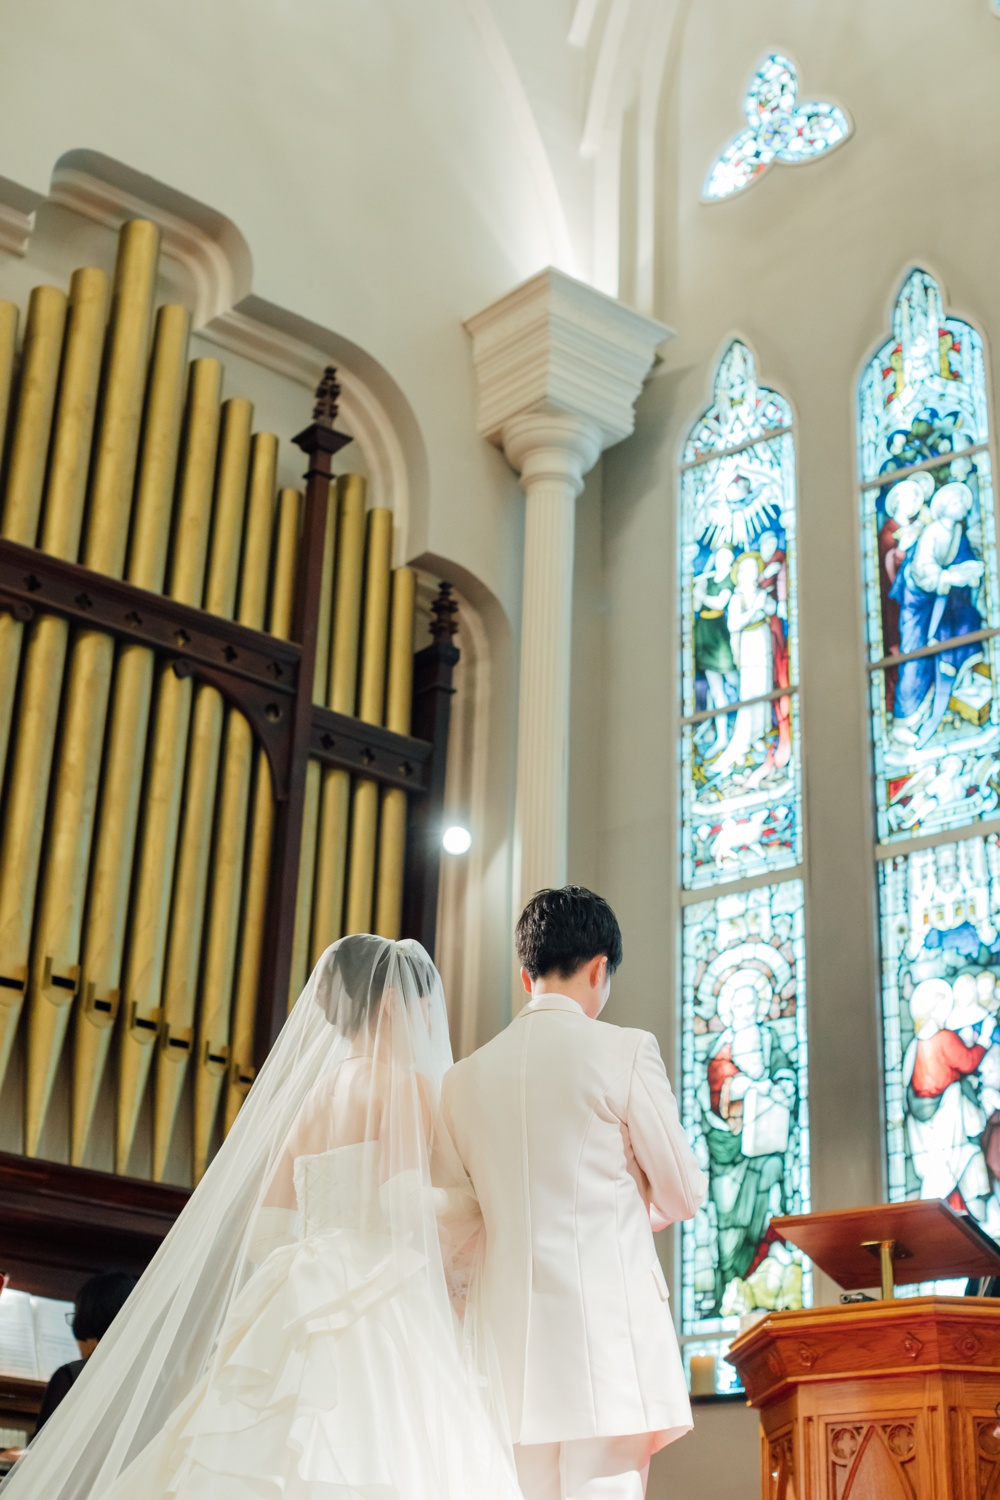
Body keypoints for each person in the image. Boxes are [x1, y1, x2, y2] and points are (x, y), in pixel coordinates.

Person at [0, 936, 520, 1500]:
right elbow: (401, 1205)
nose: (426, 1021)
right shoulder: (403, 1087)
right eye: (422, 1006)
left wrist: (321, 1243)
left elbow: (268, 1229)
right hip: (378, 1293)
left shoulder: (310, 1099)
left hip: (297, 1284)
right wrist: (476, 1205)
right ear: (392, 1002)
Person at [436, 886, 707, 1500]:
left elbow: (456, 1225)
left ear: (523, 973)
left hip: (503, 1348)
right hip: (607, 1335)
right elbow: (684, 1192)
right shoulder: (623, 1050)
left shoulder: (460, 1081)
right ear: (598, 968)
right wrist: (635, 1204)